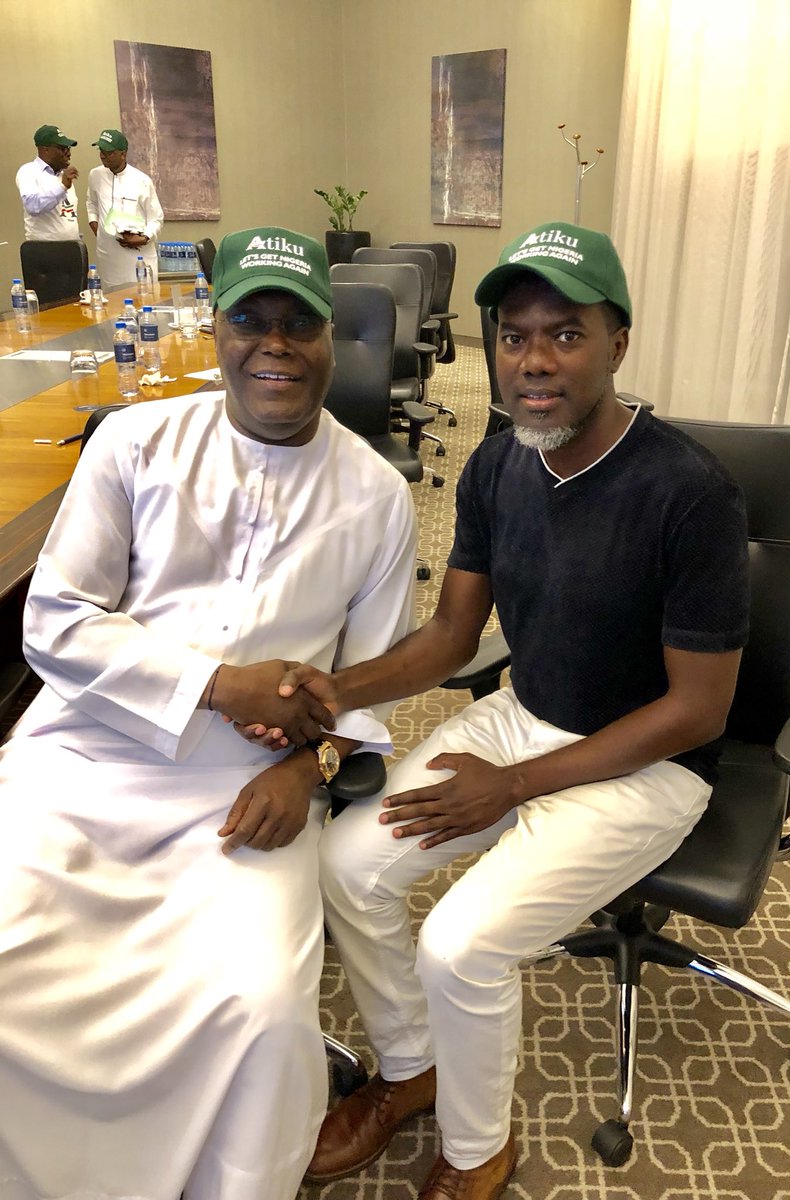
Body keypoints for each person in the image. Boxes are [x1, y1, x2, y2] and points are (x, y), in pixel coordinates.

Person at [241, 221, 751, 1199]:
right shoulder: (497, 465)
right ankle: (413, 1067)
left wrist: (512, 786)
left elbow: (697, 710)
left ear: (618, 343)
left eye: (566, 334)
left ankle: (478, 1154)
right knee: (347, 866)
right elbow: (451, 636)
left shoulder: (690, 494)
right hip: (525, 717)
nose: (534, 361)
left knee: (461, 944)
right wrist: (335, 691)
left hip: (649, 765)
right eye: (514, 337)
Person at [0, 227, 418, 1200]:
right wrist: (220, 684)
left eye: (298, 324)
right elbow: (54, 622)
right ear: (215, 329)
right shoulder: (133, 443)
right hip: (85, 760)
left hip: (246, 794)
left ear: (330, 338)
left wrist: (307, 769)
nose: (275, 345)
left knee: (260, 1008)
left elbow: (374, 686)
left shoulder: (377, 496)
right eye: (250, 320)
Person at [86, 128, 165, 286]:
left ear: (123, 154)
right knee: (110, 300)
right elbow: (91, 203)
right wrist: (96, 227)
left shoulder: (141, 180)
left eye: (109, 152)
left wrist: (143, 238)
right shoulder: (95, 175)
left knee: (140, 297)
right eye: (101, 151)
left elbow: (156, 218)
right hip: (107, 257)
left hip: (137, 257)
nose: (103, 155)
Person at [16, 123, 80, 241]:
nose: (69, 153)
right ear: (45, 150)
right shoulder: (28, 171)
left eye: (69, 149)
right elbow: (32, 206)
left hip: (71, 247)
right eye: (63, 149)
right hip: (43, 249)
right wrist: (62, 187)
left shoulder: (63, 175)